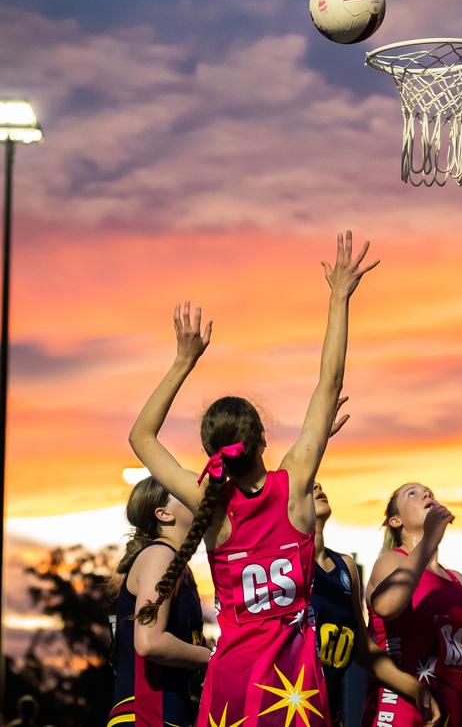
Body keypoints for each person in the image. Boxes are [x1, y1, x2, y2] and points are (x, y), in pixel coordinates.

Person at [128, 231, 378, 727]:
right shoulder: (295, 485)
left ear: (210, 451)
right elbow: (330, 382)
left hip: (231, 686)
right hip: (292, 688)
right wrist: (338, 298)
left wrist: (183, 360)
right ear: (263, 439)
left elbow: (141, 437)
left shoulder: (210, 506)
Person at [362, 484, 462, 727]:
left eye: (429, 492)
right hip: (398, 708)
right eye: (412, 493)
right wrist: (431, 538)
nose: (426, 495)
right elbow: (387, 607)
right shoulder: (391, 561)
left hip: (449, 714)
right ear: (395, 521)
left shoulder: (457, 581)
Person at [311, 479, 441, 727]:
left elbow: (363, 647)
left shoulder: (345, 567)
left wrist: (416, 689)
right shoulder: (282, 565)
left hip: (329, 714)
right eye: (307, 485)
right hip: (284, 708)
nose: (317, 486)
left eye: (318, 483)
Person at [106, 476, 210, 727]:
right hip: (147, 715)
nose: (196, 495)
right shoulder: (159, 555)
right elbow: (150, 642)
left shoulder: (173, 561)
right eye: (183, 491)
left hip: (164, 714)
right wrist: (214, 656)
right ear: (163, 514)